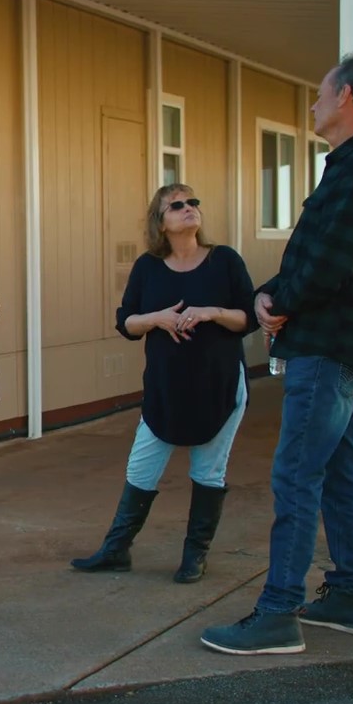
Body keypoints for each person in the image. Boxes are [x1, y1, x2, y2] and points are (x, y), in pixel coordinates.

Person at [201, 52, 353, 655]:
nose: (313, 105)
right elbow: (328, 257)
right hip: (339, 346)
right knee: (340, 474)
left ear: (347, 98)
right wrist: (275, 294)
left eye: (320, 95)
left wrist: (276, 299)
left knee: (296, 475)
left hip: (328, 347)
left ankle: (277, 612)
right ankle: (347, 595)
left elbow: (332, 261)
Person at [70, 184, 257, 583]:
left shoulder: (224, 261)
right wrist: (157, 318)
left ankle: (195, 556)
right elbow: (126, 322)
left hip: (218, 385)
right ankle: (116, 549)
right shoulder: (148, 267)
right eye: (177, 205)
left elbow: (248, 318)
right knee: (141, 467)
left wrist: (211, 312)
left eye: (193, 202)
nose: (189, 208)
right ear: (161, 221)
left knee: (209, 470)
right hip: (165, 388)